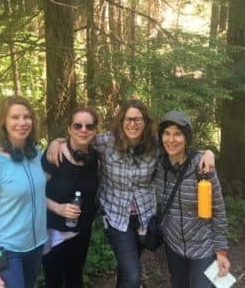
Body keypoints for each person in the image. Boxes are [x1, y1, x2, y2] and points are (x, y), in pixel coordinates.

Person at [47, 99, 215, 288]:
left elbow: (179, 147)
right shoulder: (106, 142)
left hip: (145, 219)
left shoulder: (156, 145)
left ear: (145, 122)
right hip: (117, 218)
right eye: (128, 119)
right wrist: (57, 142)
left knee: (128, 269)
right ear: (121, 121)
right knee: (133, 275)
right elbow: (80, 137)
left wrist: (207, 153)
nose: (132, 124)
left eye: (137, 119)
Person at [0, 95, 47, 288]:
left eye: (27, 117)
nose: (22, 122)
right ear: (3, 123)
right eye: (15, 117)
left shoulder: (36, 155)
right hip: (6, 250)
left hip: (36, 245)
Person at [155, 110, 230, 288]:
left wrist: (221, 251)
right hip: (173, 244)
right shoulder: (158, 164)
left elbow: (218, 209)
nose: (171, 139)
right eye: (166, 133)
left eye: (177, 134)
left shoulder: (202, 165)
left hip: (203, 245)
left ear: (187, 137)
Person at [41, 107, 99, 288]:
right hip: (54, 232)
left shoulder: (96, 159)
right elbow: (34, 194)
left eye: (89, 126)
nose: (83, 130)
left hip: (81, 231)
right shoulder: (54, 156)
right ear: (69, 129)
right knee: (54, 281)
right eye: (78, 125)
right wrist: (58, 208)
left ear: (95, 131)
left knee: (75, 277)